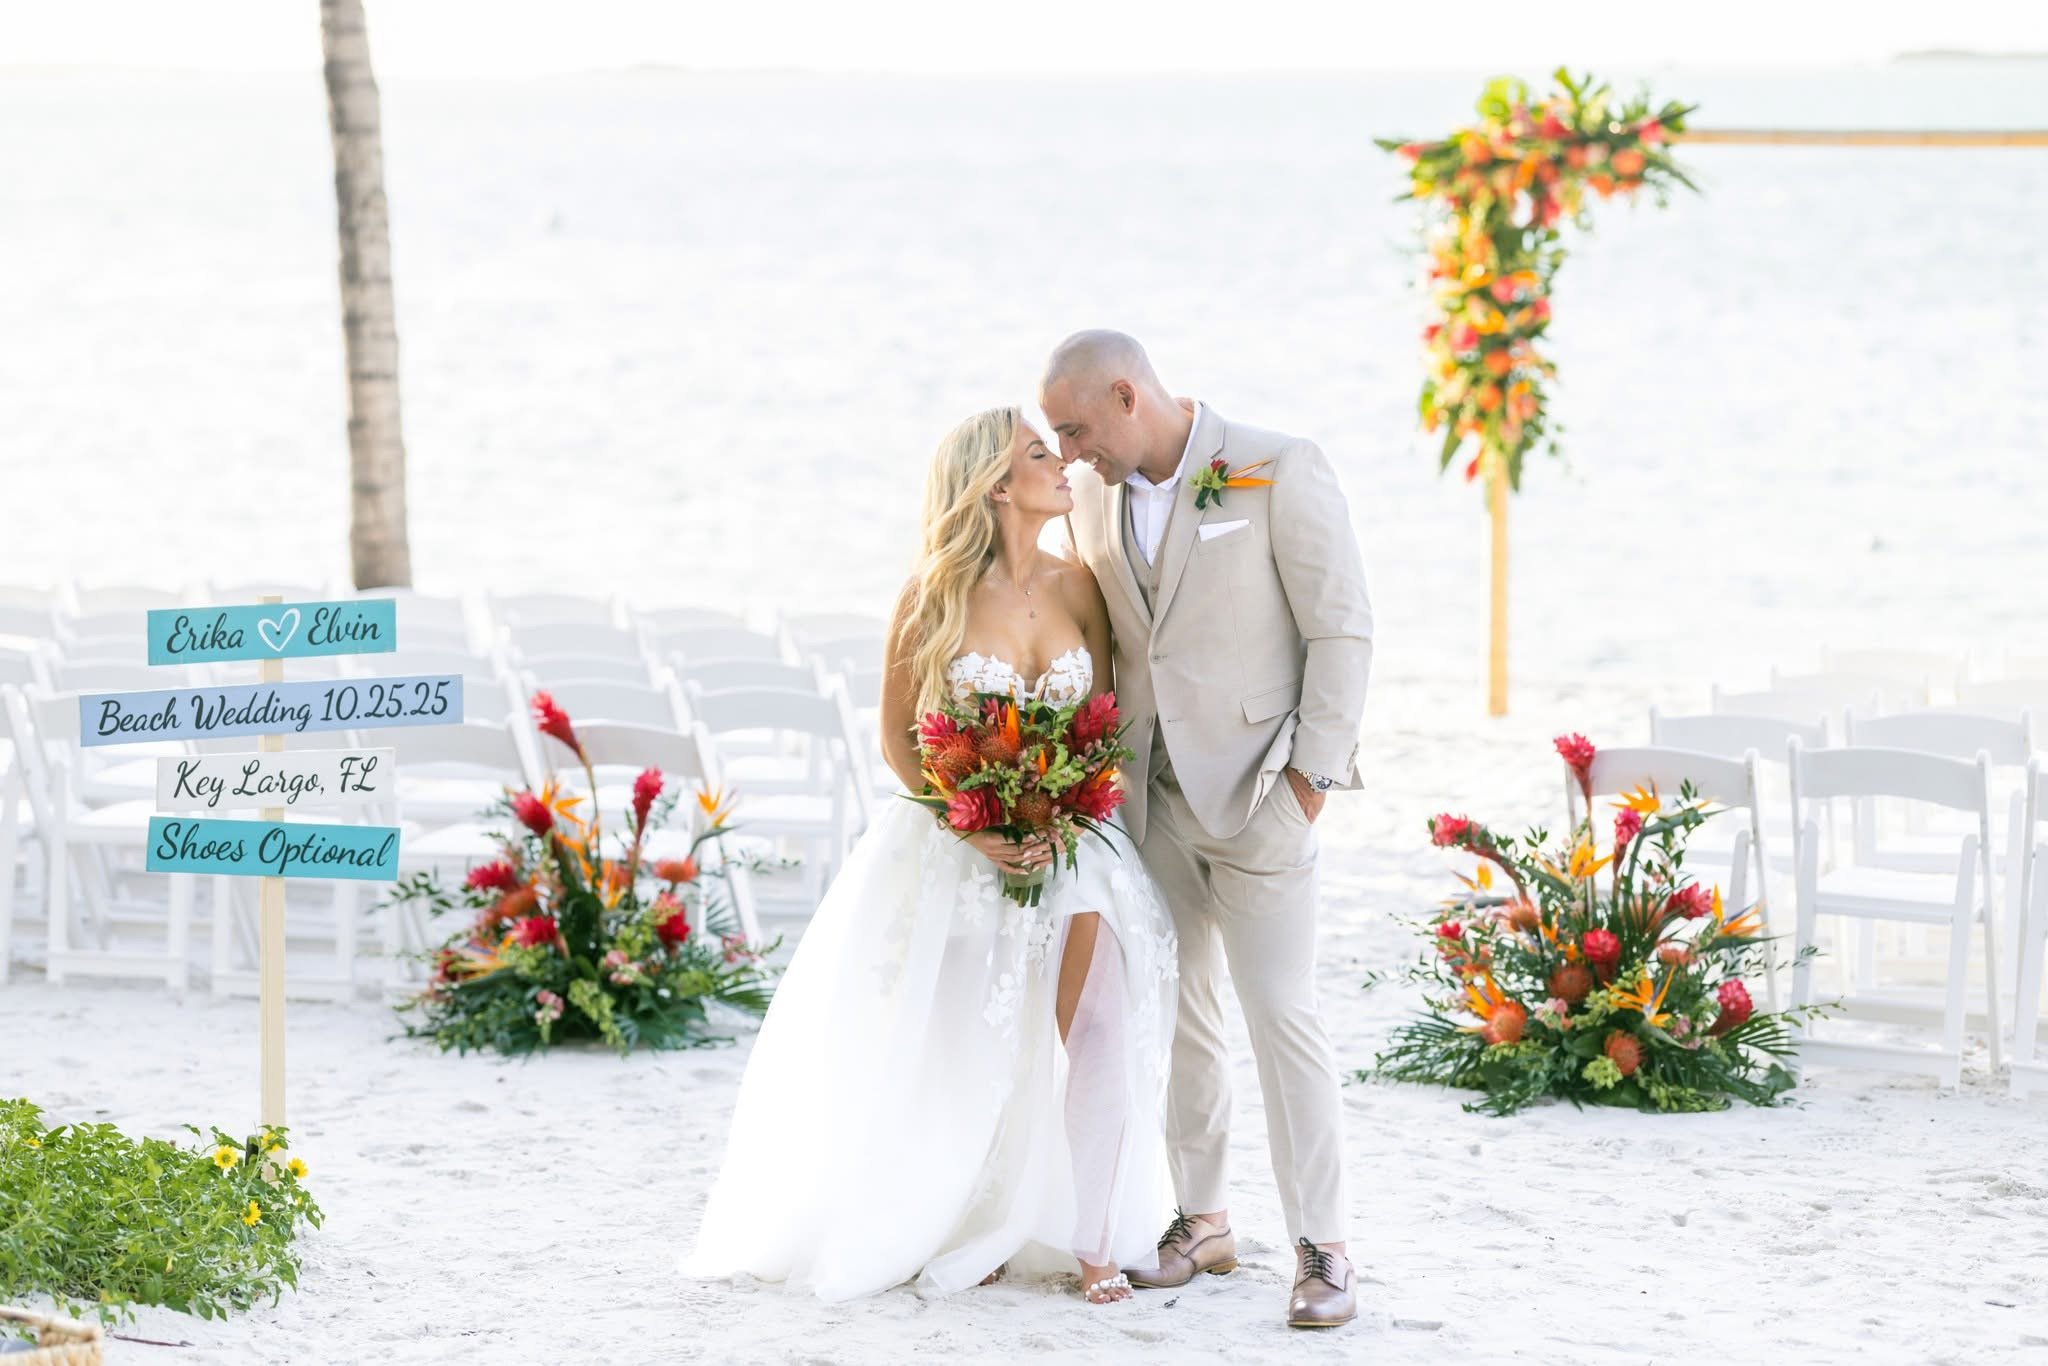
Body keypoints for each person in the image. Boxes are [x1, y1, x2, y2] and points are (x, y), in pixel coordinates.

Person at [686, 406, 1178, 1305]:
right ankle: (964, 1221)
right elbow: (897, 740)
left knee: (1100, 1026)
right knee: (963, 1043)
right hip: (961, 847)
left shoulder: (1082, 590)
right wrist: (974, 821)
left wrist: (1065, 808)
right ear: (997, 484)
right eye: (1040, 453)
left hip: (1076, 842)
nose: (1062, 461)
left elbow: (1100, 721)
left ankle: (1098, 1242)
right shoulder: (932, 596)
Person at [1042, 330, 1372, 1329]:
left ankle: (1323, 1244)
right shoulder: (1092, 496)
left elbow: (1341, 628)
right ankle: (1202, 1218)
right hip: (1150, 805)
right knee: (1178, 1016)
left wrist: (1309, 781)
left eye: (1074, 427)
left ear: (1126, 393)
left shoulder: (1276, 468)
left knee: (1281, 1018)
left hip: (1264, 797)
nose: (1066, 452)